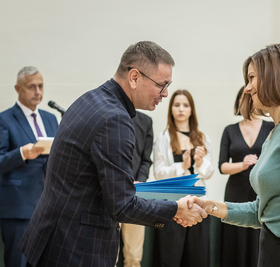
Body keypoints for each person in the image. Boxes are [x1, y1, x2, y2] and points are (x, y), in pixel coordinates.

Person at [19, 41, 207, 267]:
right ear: (135, 77)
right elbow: (122, 206)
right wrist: (176, 209)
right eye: (162, 85)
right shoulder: (115, 119)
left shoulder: (89, 99)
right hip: (76, 249)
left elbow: (91, 181)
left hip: (52, 238)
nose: (165, 94)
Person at [187, 44, 280, 267]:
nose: (247, 88)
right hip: (273, 249)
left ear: (274, 76)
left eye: (252, 78)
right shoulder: (276, 132)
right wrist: (208, 206)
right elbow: (259, 211)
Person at [0, 66, 58, 267]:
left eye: (40, 86)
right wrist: (23, 153)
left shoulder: (51, 118)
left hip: (48, 207)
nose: (38, 92)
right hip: (19, 208)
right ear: (18, 88)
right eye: (31, 87)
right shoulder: (4, 119)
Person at [152, 89, 214, 267]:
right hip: (172, 205)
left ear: (191, 110)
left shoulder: (202, 138)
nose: (181, 109)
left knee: (198, 257)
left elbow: (209, 173)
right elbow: (158, 173)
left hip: (198, 204)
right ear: (171, 109)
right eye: (177, 105)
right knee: (169, 257)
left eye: (185, 105)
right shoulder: (163, 139)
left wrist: (200, 162)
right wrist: (183, 166)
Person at [218, 86, 274, 267]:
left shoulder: (271, 127)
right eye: (244, 98)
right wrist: (242, 165)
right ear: (238, 102)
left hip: (262, 191)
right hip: (236, 192)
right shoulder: (229, 130)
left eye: (251, 97)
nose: (248, 102)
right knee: (235, 241)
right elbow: (222, 166)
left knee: (259, 240)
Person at [120, 111, 153, 267]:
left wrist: (140, 181)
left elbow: (146, 160)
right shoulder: (107, 116)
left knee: (134, 256)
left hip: (136, 194)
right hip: (109, 193)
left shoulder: (146, 121)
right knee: (106, 252)